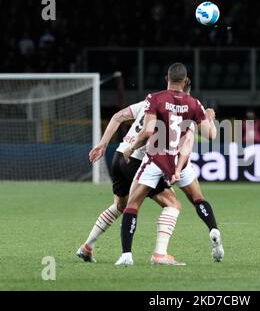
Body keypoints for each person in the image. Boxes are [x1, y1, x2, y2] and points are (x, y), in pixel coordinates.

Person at [77, 76, 223, 264]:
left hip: (119, 156)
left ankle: (87, 247)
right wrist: (209, 119)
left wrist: (103, 145)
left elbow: (117, 117)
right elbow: (158, 135)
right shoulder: (184, 108)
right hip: (137, 159)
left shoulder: (150, 100)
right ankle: (159, 254)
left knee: (120, 206)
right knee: (172, 204)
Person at [115, 63, 217, 266]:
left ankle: (126, 254)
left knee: (132, 205)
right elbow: (211, 135)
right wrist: (210, 118)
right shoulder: (194, 103)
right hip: (179, 161)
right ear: (186, 80)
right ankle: (213, 229)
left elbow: (147, 131)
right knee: (196, 198)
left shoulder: (156, 98)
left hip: (156, 159)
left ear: (167, 78)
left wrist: (130, 148)